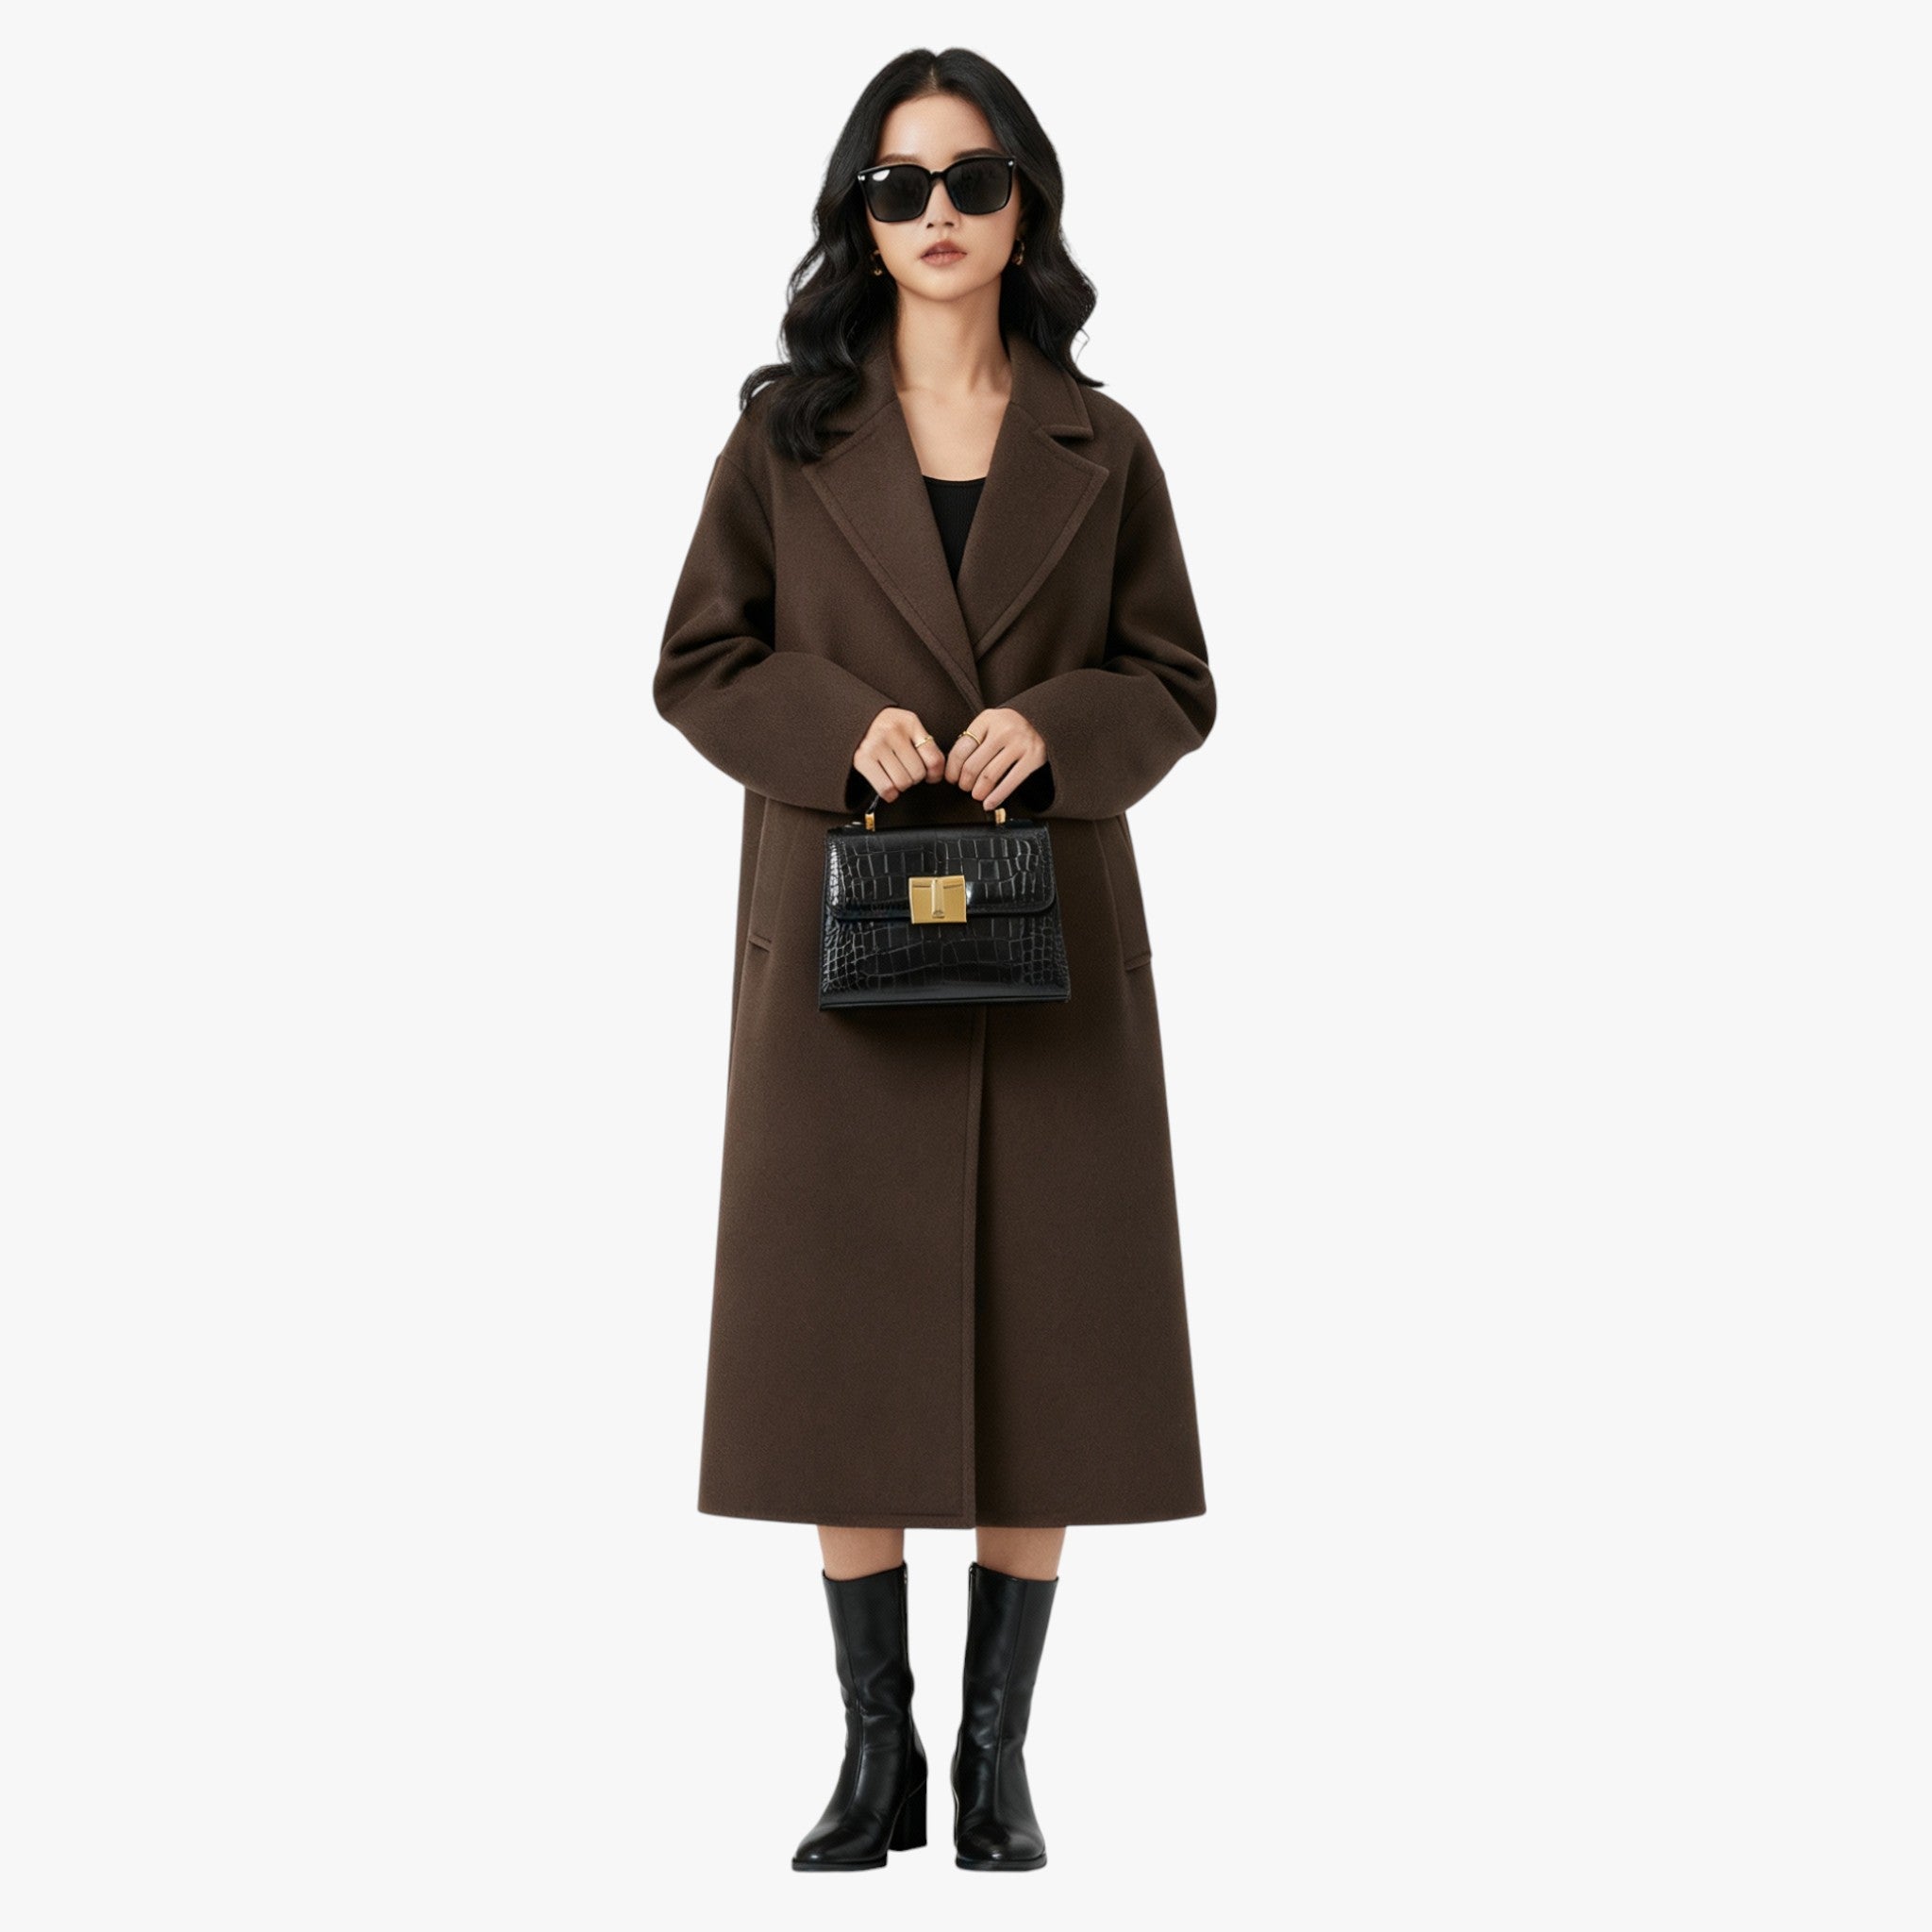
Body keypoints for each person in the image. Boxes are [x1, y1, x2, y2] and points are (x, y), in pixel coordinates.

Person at [654, 46, 1216, 1874]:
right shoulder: (785, 439)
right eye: (900, 188)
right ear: (861, 216)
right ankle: (871, 1752)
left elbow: (1175, 681)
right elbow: (698, 663)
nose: (939, 215)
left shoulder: (1102, 447)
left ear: (1023, 202)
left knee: (1055, 1337)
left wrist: (1053, 726)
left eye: (973, 180)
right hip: (846, 941)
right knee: (841, 1342)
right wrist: (842, 729)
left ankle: (995, 1761)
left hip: (1047, 940)